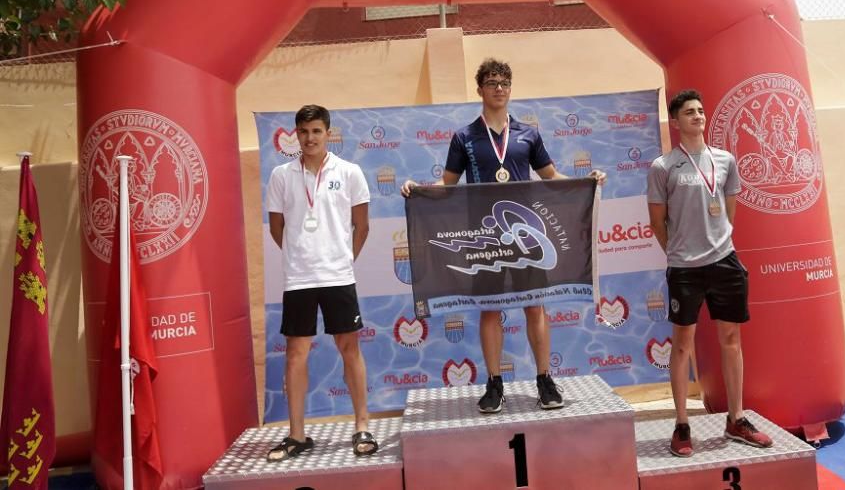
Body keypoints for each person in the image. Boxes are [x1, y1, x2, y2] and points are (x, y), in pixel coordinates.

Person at [401, 58, 605, 414]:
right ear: (479, 89)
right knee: (490, 311)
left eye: (504, 82)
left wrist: (586, 181)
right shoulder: (464, 137)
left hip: (526, 235)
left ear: (511, 89)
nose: (499, 88)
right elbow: (448, 184)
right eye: (492, 82)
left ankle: (545, 380)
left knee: (535, 306)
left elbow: (551, 176)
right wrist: (418, 190)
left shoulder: (529, 133)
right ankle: (494, 383)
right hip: (486, 238)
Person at [646, 89, 773, 457]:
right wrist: (680, 252)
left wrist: (717, 243)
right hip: (684, 267)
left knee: (731, 340)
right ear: (676, 121)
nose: (698, 116)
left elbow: (729, 213)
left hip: (725, 262)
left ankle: (736, 418)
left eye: (701, 111)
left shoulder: (725, 160)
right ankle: (682, 424)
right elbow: (657, 222)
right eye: (689, 112)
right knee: (683, 345)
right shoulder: (663, 167)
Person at [265, 104, 376, 461]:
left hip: (338, 276)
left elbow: (363, 225)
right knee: (296, 355)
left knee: (350, 349)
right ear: (296, 135)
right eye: (303, 132)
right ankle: (297, 434)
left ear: (328, 133)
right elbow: (277, 228)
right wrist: (301, 255)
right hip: (298, 278)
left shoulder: (349, 172)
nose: (309, 138)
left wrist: (342, 259)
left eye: (316, 131)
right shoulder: (281, 175)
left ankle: (362, 425)